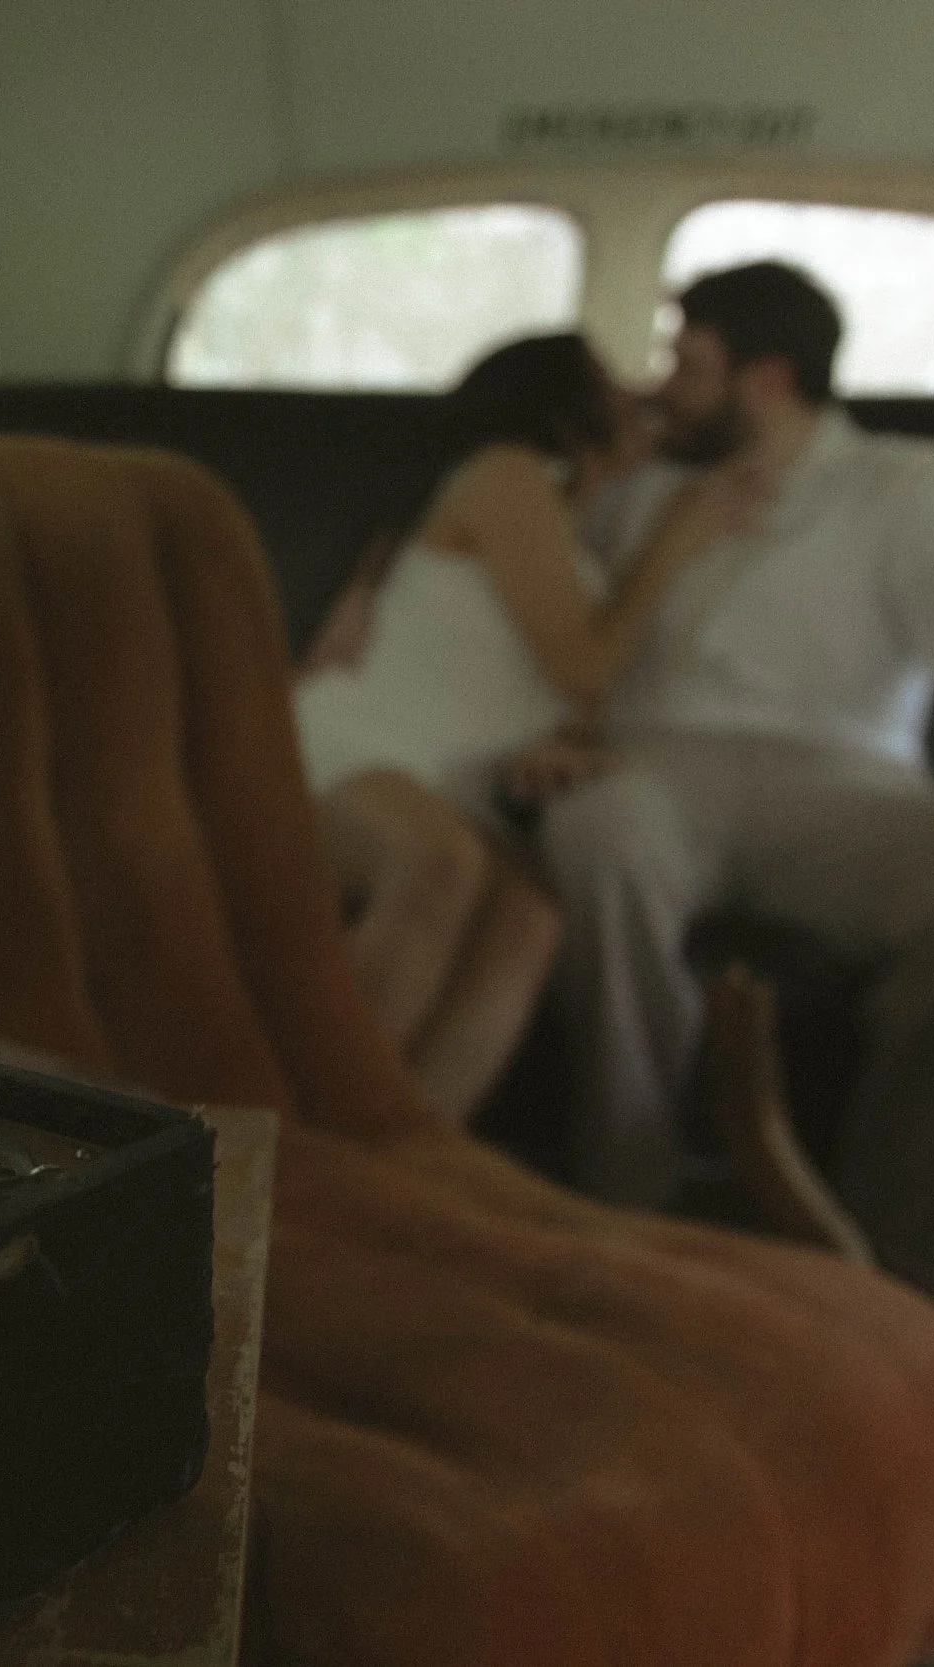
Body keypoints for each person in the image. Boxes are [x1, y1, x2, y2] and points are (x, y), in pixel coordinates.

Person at [533, 261, 934, 1281]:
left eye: (686, 363)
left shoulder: (909, 483)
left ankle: (884, 1250)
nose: (660, 384)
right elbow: (545, 623)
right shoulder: (646, 492)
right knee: (593, 836)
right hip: (656, 769)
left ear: (765, 378)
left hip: (843, 784)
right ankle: (623, 1205)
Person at [293, 334, 762, 1123]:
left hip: (445, 774)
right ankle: (300, 1126)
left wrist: (570, 742)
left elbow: (565, 688)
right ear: (566, 410)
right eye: (614, 385)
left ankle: (410, 1154)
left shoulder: (571, 535)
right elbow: (584, 661)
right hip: (353, 742)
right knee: (438, 866)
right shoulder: (506, 474)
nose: (640, 397)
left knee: (530, 918)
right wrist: (675, 541)